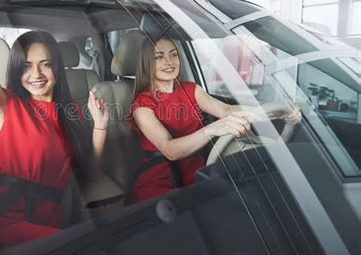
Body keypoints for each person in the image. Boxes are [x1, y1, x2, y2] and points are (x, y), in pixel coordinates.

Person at [0, 5, 109, 250]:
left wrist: (100, 126)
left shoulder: (72, 113)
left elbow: (88, 175)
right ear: (16, 69)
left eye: (45, 64)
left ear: (58, 67)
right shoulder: (5, 105)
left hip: (49, 225)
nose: (36, 74)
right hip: (1, 219)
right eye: (26, 66)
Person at [129, 36, 301, 202]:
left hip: (198, 170)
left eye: (173, 54)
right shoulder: (142, 105)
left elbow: (227, 110)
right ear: (147, 63)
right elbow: (170, 150)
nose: (169, 61)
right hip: (159, 179)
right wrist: (213, 129)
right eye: (159, 57)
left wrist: (277, 113)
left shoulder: (191, 89)